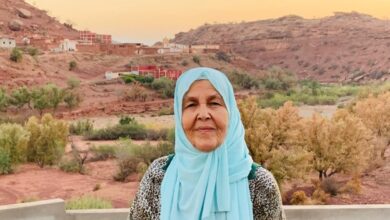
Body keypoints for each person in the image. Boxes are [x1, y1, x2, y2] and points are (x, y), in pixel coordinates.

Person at [129, 67, 285, 220]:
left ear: (231, 113)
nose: (203, 115)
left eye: (214, 103)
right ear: (179, 115)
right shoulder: (158, 176)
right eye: (191, 105)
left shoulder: (259, 184)